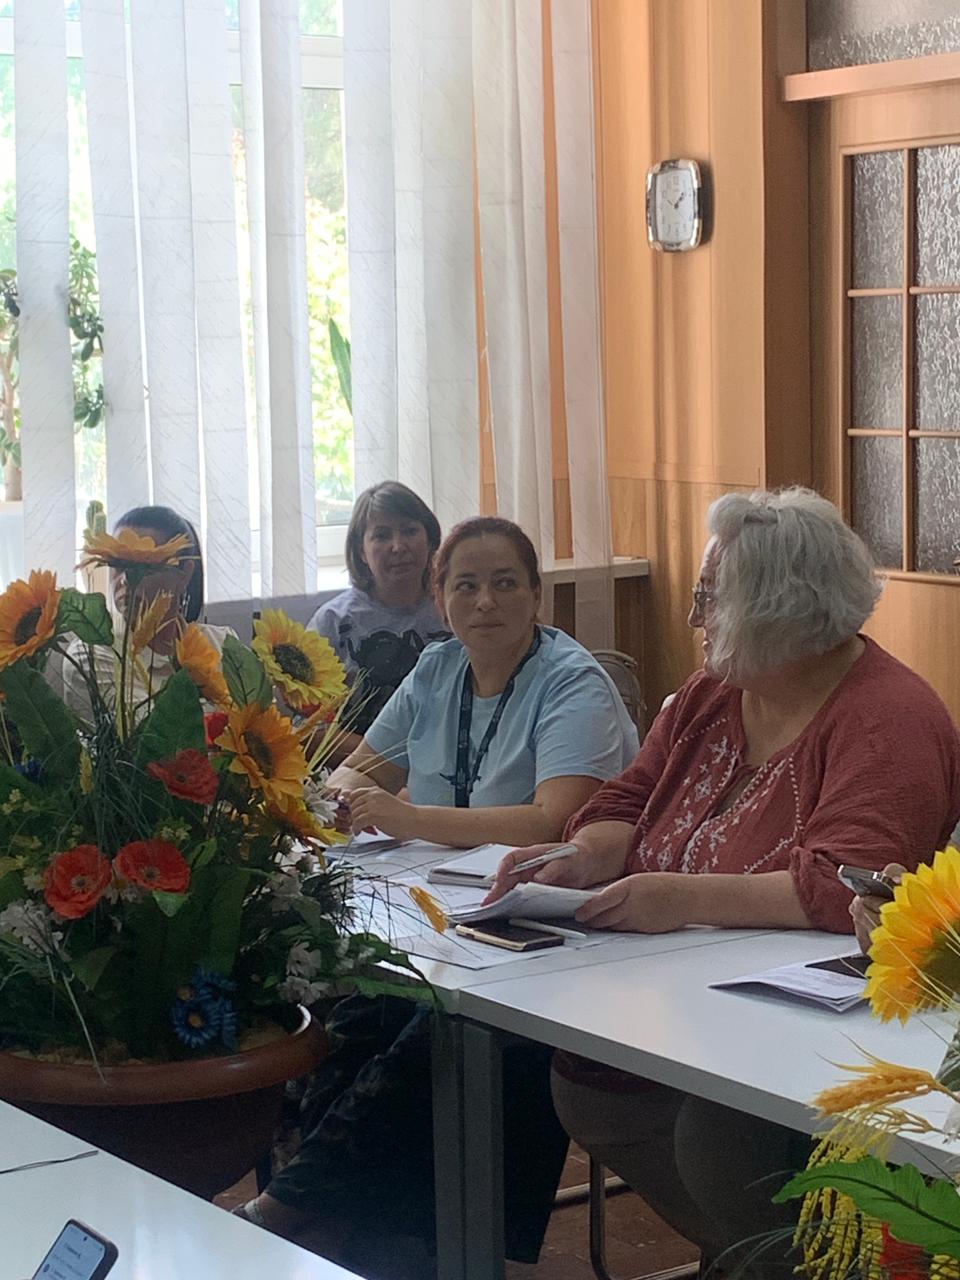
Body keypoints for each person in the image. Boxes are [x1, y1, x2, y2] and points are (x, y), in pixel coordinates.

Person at [484, 488, 960, 1278]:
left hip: (788, 1028)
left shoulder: (889, 717)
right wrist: (594, 849)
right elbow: (628, 797)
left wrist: (677, 898)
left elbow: (844, 886)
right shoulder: (714, 692)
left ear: (779, 610)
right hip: (672, 996)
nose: (693, 617)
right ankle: (748, 1257)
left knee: (717, 1141)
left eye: (710, 597)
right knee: (582, 1086)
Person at [235, 516, 640, 1277]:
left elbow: (554, 819)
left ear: (537, 595)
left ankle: (296, 1213)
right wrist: (338, 799)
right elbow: (361, 772)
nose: (485, 602)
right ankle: (352, 1228)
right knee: (352, 1009)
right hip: (443, 916)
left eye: (505, 583)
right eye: (466, 585)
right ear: (440, 597)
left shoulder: (571, 680)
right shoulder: (435, 668)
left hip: (557, 932)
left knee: (433, 1030)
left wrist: (408, 817)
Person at [307, 482, 448, 760]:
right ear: (361, 550)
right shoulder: (333, 622)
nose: (398, 547)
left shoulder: (456, 609)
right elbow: (311, 728)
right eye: (382, 536)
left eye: (409, 531)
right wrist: (389, 763)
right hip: (358, 769)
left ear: (430, 540)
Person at [63, 505, 232, 723]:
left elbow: (254, 718)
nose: (125, 579)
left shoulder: (222, 643)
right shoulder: (92, 655)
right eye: (118, 564)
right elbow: (153, 733)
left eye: (145, 566)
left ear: (184, 574)